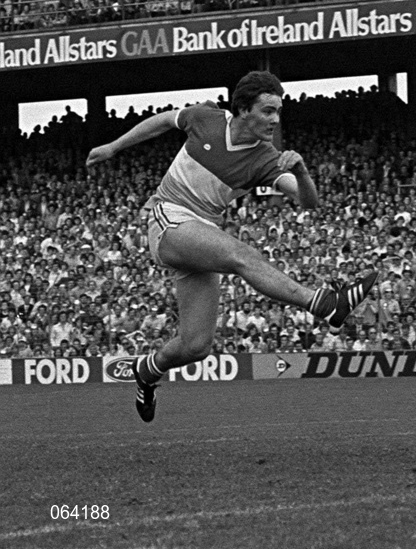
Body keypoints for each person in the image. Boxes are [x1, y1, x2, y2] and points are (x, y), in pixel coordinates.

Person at [86, 71, 377, 423]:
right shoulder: (206, 117)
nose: (275, 119)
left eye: (278, 111)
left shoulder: (266, 158)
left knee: (195, 345)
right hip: (167, 218)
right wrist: (113, 146)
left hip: (201, 233)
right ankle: (325, 304)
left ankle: (147, 371)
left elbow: (307, 202)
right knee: (242, 255)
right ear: (242, 109)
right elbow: (162, 121)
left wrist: (301, 172)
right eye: (268, 111)